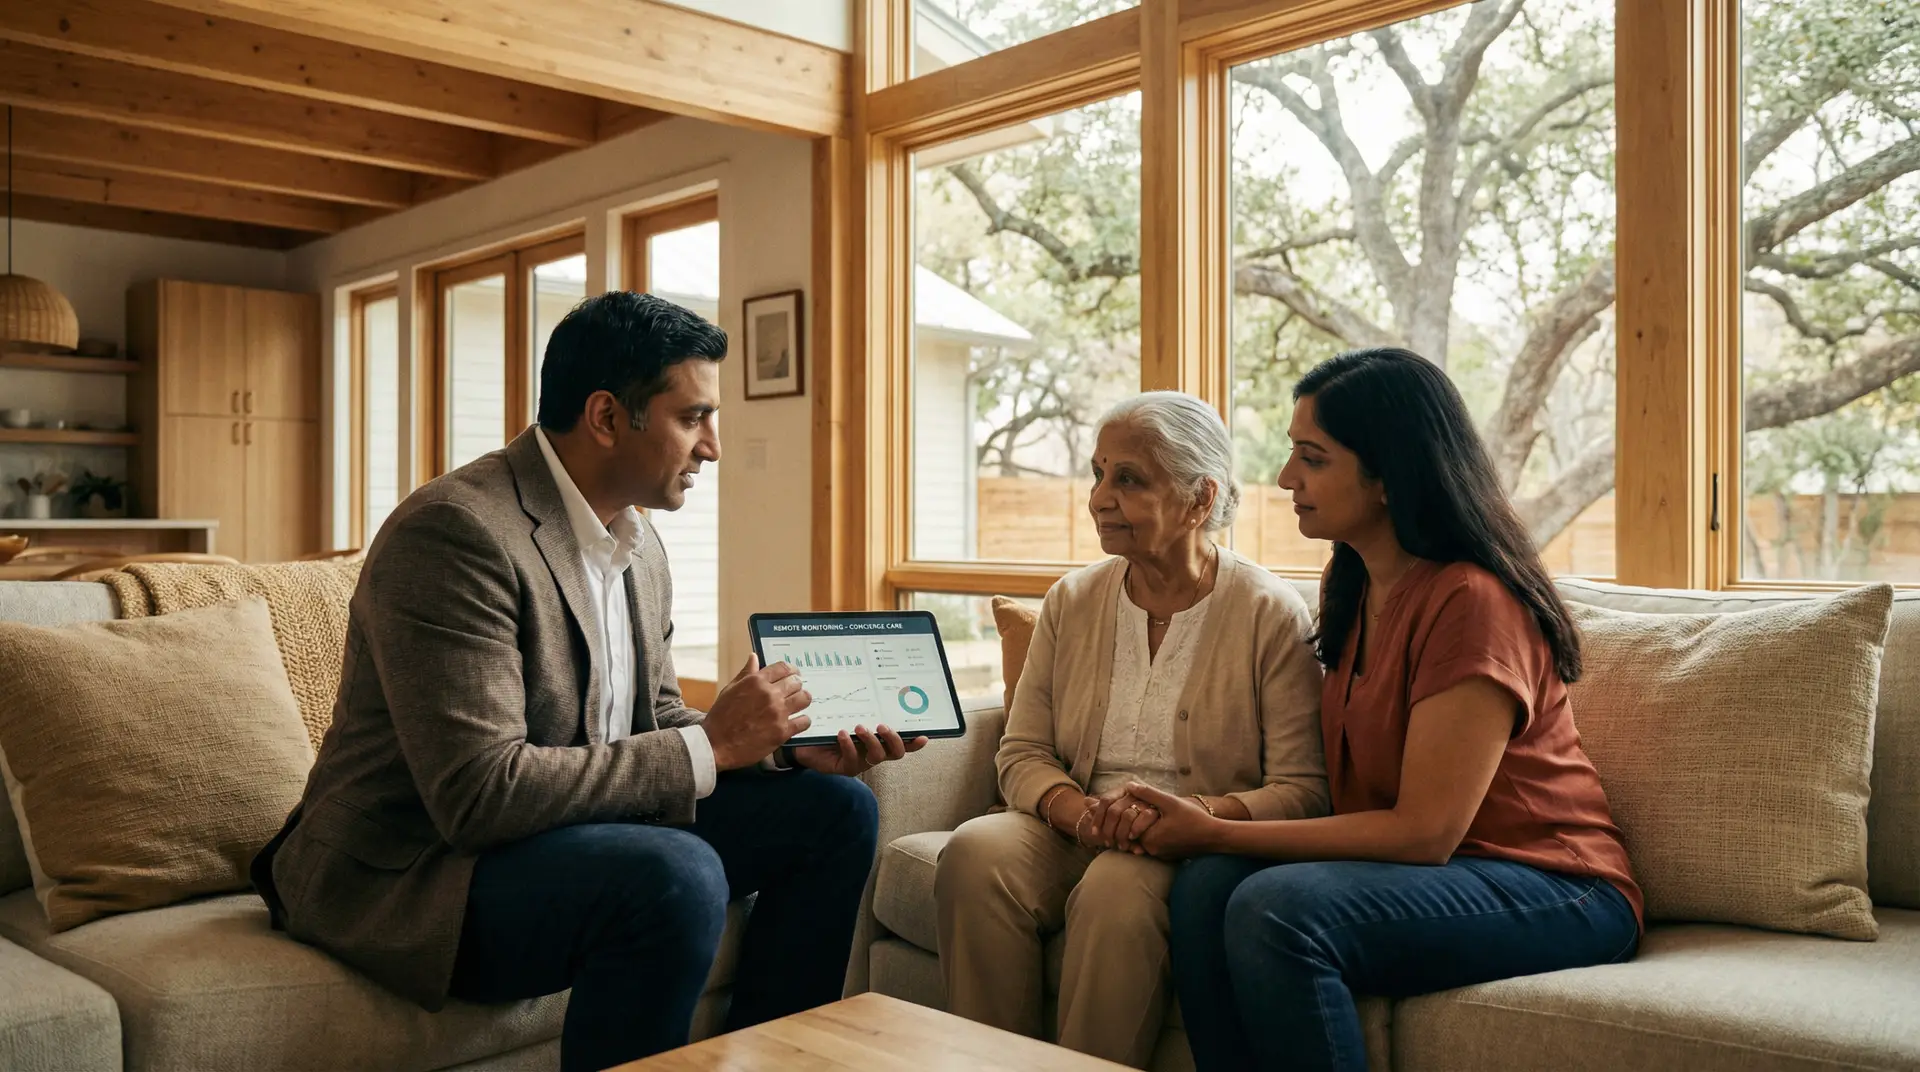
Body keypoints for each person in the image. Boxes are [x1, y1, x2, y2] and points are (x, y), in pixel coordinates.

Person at [252, 292, 926, 1072]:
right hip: (421, 865)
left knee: (836, 809)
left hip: (564, 831)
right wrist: (712, 745)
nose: (712, 447)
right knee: (675, 874)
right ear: (608, 417)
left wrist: (774, 750)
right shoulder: (454, 534)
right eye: (692, 417)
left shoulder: (638, 543)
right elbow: (479, 795)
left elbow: (655, 717)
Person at [1128, 348, 1642, 1072]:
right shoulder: (1355, 585)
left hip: (1560, 887)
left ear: (1389, 477)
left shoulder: (1470, 602)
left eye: (1313, 458)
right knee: (1207, 883)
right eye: (1290, 454)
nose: (1285, 479)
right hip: (1440, 873)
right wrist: (1212, 829)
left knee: (1275, 908)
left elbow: (1425, 832)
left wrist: (1216, 828)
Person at [933, 391, 1329, 1068]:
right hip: (1071, 821)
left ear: (1199, 500)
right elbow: (1022, 751)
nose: (1098, 498)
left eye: (1128, 479)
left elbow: (1303, 790)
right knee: (974, 852)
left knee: (1118, 893)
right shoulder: (1074, 598)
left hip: (1185, 843)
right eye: (1097, 473)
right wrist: (1077, 810)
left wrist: (1196, 816)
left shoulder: (1268, 613)